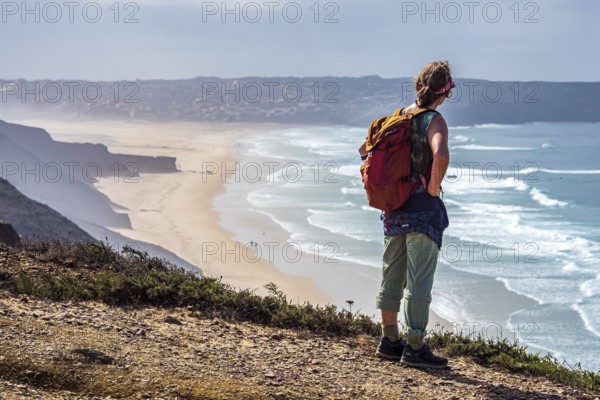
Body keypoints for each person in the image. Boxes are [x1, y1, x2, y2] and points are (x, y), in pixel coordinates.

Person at [374, 61, 453, 368]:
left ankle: (389, 340)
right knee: (418, 282)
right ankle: (415, 347)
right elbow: (441, 154)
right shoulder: (434, 120)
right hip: (421, 209)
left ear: (418, 85)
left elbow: (365, 151)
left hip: (394, 207)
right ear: (445, 92)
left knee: (391, 275)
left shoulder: (399, 116)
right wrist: (433, 187)